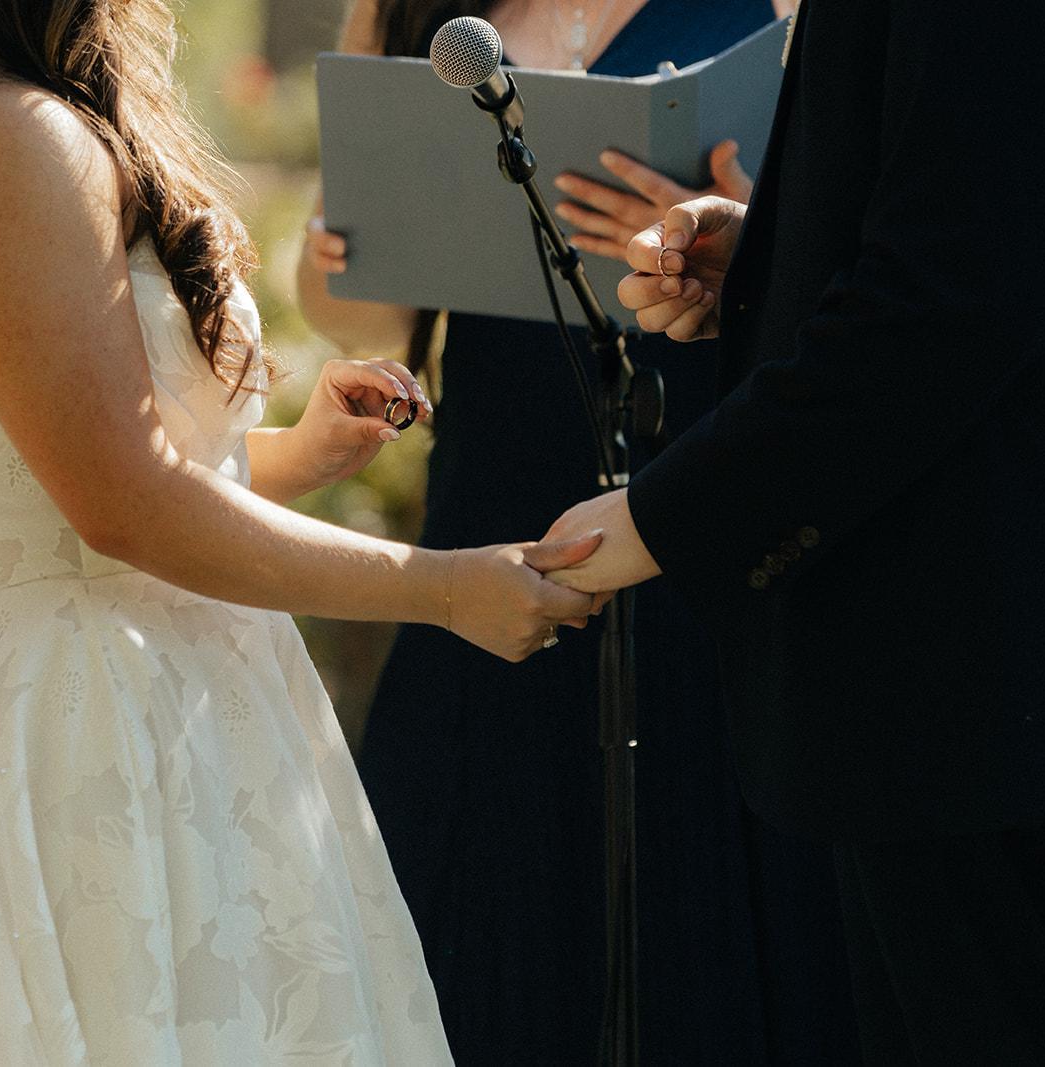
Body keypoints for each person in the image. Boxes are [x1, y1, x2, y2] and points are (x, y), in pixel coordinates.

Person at [0, 0, 606, 1060]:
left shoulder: (34, 111)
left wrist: (294, 452)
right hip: (92, 729)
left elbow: (96, 459)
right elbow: (120, 505)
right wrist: (441, 586)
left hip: (184, 691)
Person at [541, 0, 1045, 1063]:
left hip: (1020, 664)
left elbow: (955, 295)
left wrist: (661, 518)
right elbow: (997, 206)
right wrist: (774, 265)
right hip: (980, 668)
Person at [298, 1, 858, 1063]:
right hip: (493, 522)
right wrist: (350, 256)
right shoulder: (412, 9)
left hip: (710, 514)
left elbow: (860, 275)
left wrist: (746, 238)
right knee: (476, 924)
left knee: (707, 927)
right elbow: (354, 311)